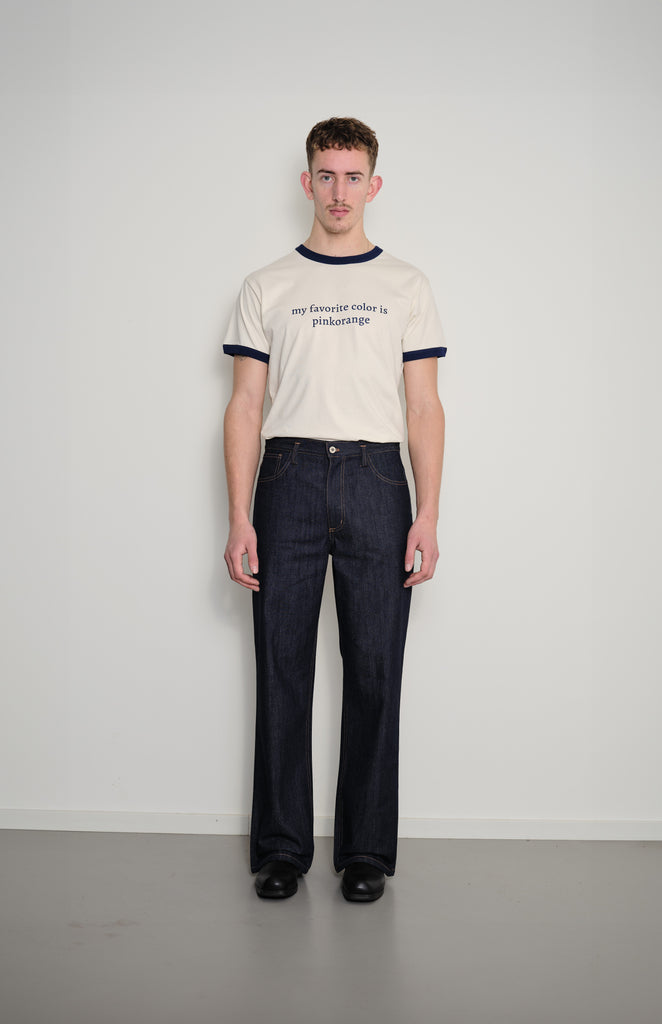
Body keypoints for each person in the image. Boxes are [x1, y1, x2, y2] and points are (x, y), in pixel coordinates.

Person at [222, 117, 446, 902]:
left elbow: (424, 407)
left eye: (353, 176)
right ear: (307, 182)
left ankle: (365, 853)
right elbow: (244, 405)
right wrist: (239, 515)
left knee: (376, 667)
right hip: (286, 476)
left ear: (373, 185)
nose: (339, 191)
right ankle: (283, 849)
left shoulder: (406, 285)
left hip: (377, 477)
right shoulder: (268, 285)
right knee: (280, 664)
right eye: (326, 175)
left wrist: (428, 513)